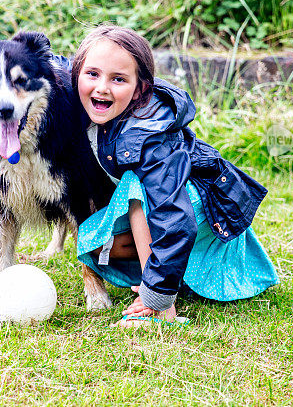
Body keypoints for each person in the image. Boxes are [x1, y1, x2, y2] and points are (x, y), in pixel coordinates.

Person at [70, 25, 279, 328]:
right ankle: (172, 276)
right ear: (76, 74)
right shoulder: (92, 109)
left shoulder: (148, 134)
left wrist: (156, 293)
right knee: (98, 246)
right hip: (174, 209)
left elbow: (174, 216)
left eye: (118, 79)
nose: (102, 87)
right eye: (92, 74)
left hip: (205, 209)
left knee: (134, 188)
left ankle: (161, 309)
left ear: (140, 89)